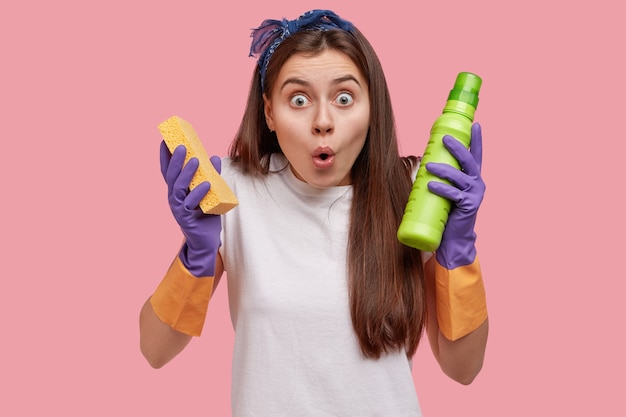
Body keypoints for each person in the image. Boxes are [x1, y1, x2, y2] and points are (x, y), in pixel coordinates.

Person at [139, 9, 489, 416]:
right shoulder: (234, 190)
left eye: (344, 98)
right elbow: (154, 350)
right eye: (299, 99)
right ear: (269, 112)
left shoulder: (416, 189)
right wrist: (195, 255)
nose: (323, 122)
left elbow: (463, 368)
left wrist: (459, 251)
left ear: (372, 106)